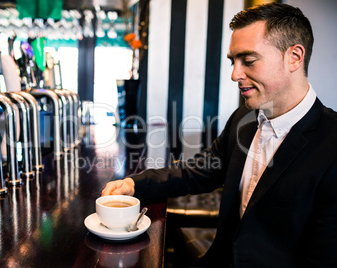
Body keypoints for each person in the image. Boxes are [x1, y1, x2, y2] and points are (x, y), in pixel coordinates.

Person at [102, 2, 337, 267]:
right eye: (233, 62)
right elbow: (198, 171)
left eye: (248, 61)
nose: (235, 74)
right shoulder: (244, 120)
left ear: (294, 57)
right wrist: (135, 184)